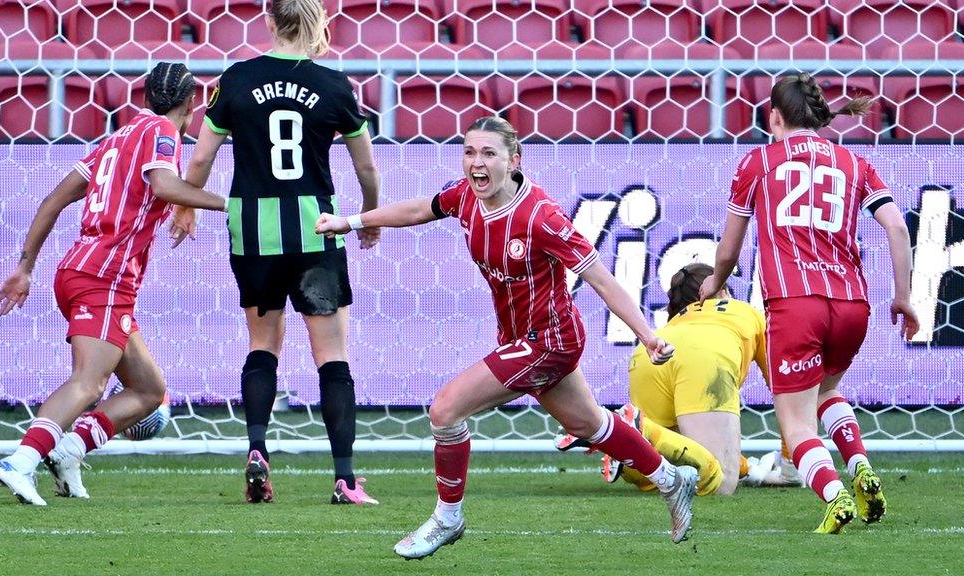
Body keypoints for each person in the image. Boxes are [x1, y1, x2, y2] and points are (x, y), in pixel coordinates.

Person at [317, 116, 699, 560]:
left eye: (489, 154)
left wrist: (647, 335)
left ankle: (448, 516)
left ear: (514, 160)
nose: (476, 163)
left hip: (549, 339)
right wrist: (350, 221)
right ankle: (673, 479)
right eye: (469, 152)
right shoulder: (465, 197)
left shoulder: (541, 217)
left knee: (445, 409)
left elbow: (601, 278)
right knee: (588, 424)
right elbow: (420, 208)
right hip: (520, 336)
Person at [0, 63, 229, 505]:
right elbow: (164, 184)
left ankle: (70, 451)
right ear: (191, 102)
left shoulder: (116, 138)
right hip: (104, 276)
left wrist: (26, 267)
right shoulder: (162, 130)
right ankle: (19, 462)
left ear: (144, 95)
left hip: (82, 271)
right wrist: (230, 204)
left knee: (149, 391)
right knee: (89, 384)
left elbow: (53, 200)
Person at [171, 0, 381, 505]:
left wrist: (187, 207)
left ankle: (258, 449)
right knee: (331, 355)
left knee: (262, 346)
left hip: (253, 232)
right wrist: (369, 218)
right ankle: (345, 479)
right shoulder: (333, 85)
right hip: (316, 231)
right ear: (314, 23)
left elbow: (200, 156)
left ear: (268, 22)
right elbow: (367, 167)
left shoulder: (236, 79)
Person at [698, 73, 920, 533]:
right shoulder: (854, 163)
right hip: (852, 304)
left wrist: (714, 282)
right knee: (825, 392)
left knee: (796, 426)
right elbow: (898, 228)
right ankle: (859, 465)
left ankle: (836, 497)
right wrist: (903, 298)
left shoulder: (758, 162)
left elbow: (728, 251)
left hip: (795, 304)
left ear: (773, 117)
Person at [555, 264, 801, 495]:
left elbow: (693, 444)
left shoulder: (671, 324)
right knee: (722, 483)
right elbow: (786, 389)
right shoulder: (746, 312)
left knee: (659, 470)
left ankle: (612, 431)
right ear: (721, 291)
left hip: (651, 353)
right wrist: (790, 467)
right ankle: (640, 428)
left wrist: (748, 468)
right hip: (707, 353)